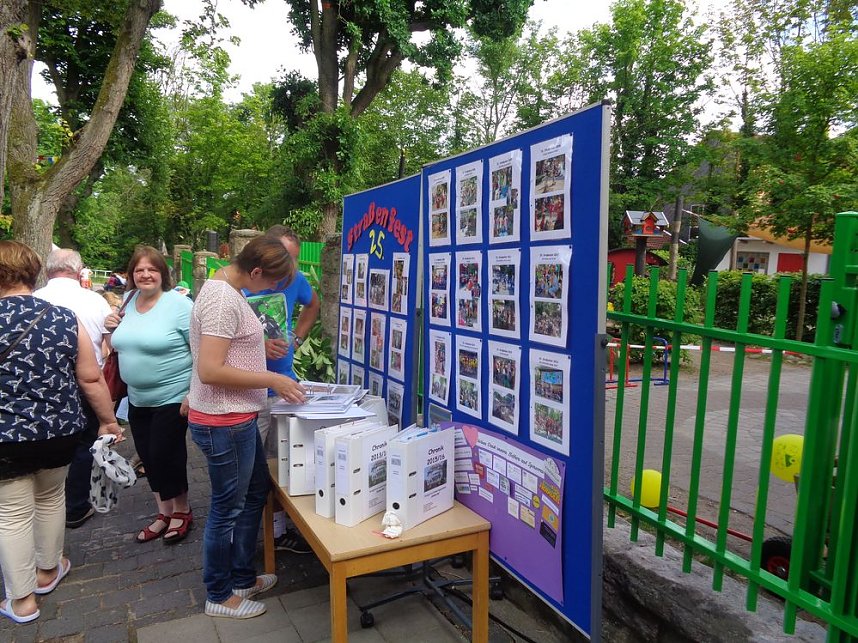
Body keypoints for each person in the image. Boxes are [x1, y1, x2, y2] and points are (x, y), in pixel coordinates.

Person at [0, 240, 122, 624]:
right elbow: (89, 376)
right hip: (60, 431)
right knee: (51, 498)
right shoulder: (61, 318)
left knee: (12, 514)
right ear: (33, 272)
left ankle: (22, 601)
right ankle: (48, 571)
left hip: (6, 437)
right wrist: (108, 420)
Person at [188, 235, 305, 620]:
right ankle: (219, 594)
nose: (272, 290)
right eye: (271, 283)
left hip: (238, 417)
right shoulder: (222, 298)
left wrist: (261, 350)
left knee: (255, 491)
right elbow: (210, 369)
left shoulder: (229, 289)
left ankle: (242, 577)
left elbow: (230, 347)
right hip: (225, 421)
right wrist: (272, 380)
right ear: (255, 270)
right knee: (227, 507)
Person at [105, 246, 194, 544]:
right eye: (139, 270)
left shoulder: (179, 306)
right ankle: (163, 512)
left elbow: (201, 350)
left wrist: (193, 392)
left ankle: (182, 510)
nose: (145, 275)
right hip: (137, 397)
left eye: (152, 269)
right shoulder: (128, 302)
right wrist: (108, 329)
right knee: (147, 456)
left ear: (162, 274)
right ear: (131, 275)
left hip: (173, 394)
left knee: (165, 453)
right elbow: (119, 345)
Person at [34, 249, 114, 529]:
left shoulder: (34, 300)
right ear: (80, 271)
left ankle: (43, 505)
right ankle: (76, 506)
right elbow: (110, 345)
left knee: (45, 450)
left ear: (48, 271)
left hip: (42, 387)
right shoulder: (95, 301)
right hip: (87, 382)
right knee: (85, 444)